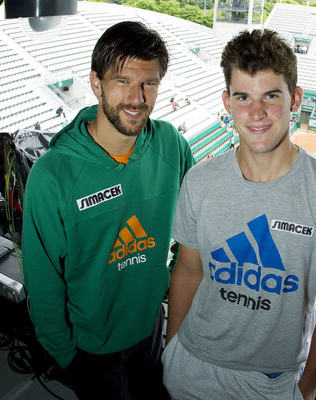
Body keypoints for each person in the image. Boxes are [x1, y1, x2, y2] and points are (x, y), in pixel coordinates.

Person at [162, 29, 316, 400]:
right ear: (227, 102)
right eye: (243, 97)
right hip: (191, 366)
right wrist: (173, 350)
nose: (256, 113)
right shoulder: (200, 181)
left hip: (271, 382)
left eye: (271, 96)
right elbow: (188, 271)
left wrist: (307, 387)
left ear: (295, 99)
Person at [21, 21, 194, 400]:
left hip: (151, 327)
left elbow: (193, 226)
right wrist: (68, 355)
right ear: (96, 83)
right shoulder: (53, 175)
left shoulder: (172, 145)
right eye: (122, 81)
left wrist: (169, 280)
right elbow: (42, 279)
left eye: (149, 83)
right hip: (92, 348)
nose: (137, 98)